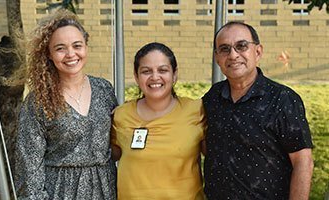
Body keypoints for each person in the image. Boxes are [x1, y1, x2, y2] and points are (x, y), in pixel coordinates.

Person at [202, 21, 314, 200]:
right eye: (224, 49)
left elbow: (303, 162)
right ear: (217, 57)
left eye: (241, 46)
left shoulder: (282, 99)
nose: (233, 55)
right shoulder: (212, 98)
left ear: (258, 51)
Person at [14, 9, 117, 199]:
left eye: (77, 45)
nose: (71, 54)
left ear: (86, 46)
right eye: (60, 48)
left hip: (106, 188)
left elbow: (118, 143)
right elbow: (28, 168)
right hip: (60, 192)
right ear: (49, 54)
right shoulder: (38, 101)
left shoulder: (104, 89)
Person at [111, 42, 206, 199]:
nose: (155, 77)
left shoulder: (196, 110)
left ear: (174, 75)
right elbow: (110, 154)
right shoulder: (121, 115)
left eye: (163, 70)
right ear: (136, 76)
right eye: (146, 71)